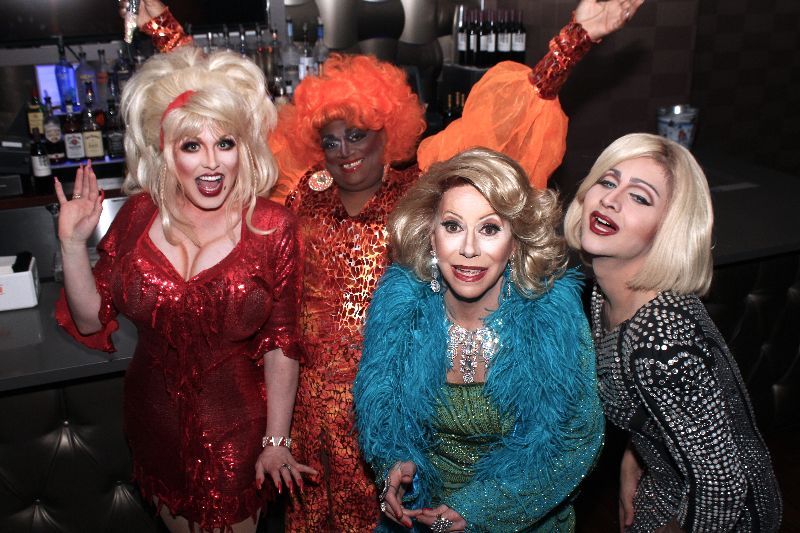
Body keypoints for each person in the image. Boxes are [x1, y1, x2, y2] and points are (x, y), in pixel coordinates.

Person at [127, 1, 642, 529]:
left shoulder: (422, 193)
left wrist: (574, 39)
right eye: (330, 139)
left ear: (387, 132)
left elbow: (502, 135)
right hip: (302, 412)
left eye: (359, 134)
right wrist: (169, 36)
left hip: (390, 410)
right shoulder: (299, 192)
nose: (345, 151)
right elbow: (220, 136)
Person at [54, 46, 316, 532]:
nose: (211, 163)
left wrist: (276, 440)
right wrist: (73, 244)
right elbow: (91, 318)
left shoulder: (272, 228)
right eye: (191, 145)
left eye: (226, 143)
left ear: (246, 148)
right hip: (155, 426)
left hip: (239, 430)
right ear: (164, 151)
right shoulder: (135, 218)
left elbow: (283, 343)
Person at [353, 147, 604, 532]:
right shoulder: (398, 308)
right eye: (452, 226)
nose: (469, 249)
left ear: (516, 241)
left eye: (489, 228)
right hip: (420, 520)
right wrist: (395, 468)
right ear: (429, 234)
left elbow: (575, 442)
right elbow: (381, 417)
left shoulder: (554, 316)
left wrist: (480, 508)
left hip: (525, 518)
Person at [563, 133, 783, 532]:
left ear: (667, 231)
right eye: (609, 182)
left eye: (640, 197)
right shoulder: (604, 296)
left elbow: (722, 487)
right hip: (669, 481)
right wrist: (635, 455)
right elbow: (658, 409)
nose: (611, 199)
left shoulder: (661, 343)